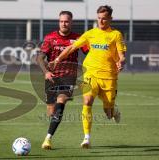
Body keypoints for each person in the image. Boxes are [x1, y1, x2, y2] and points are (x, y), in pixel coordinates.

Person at [54, 5, 126, 149]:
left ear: (110, 19)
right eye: (99, 18)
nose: (101, 21)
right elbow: (72, 47)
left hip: (109, 77)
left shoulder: (116, 35)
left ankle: (113, 110)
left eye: (104, 19)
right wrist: (58, 59)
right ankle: (86, 138)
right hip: (90, 73)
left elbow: (121, 55)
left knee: (108, 113)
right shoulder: (90, 33)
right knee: (87, 101)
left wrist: (121, 62)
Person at [37, 11, 88, 150]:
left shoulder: (78, 38)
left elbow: (90, 53)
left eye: (66, 21)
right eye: (61, 21)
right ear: (59, 22)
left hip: (69, 77)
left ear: (71, 22)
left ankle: (48, 139)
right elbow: (40, 57)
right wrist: (46, 72)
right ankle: (52, 125)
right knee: (51, 110)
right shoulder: (50, 38)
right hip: (52, 78)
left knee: (61, 102)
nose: (64, 24)